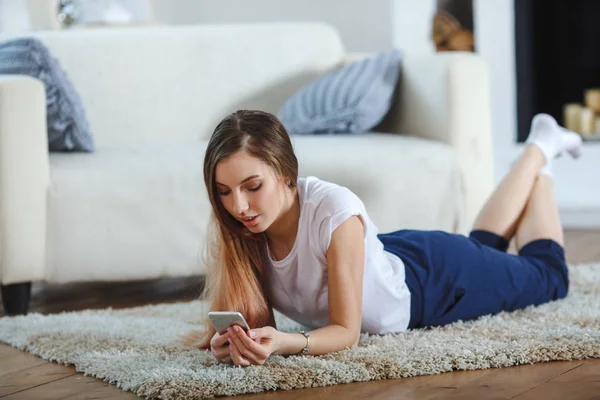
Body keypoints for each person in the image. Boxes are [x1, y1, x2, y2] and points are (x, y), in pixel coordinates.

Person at [181, 110, 582, 367]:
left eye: (252, 186)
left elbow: (346, 332)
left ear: (287, 174)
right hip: (388, 257)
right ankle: (537, 152)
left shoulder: (334, 209)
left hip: (436, 283)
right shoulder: (240, 229)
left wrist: (286, 342)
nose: (239, 205)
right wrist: (230, 343)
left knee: (549, 276)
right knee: (486, 247)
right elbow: (251, 322)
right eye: (224, 191)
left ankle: (541, 154)